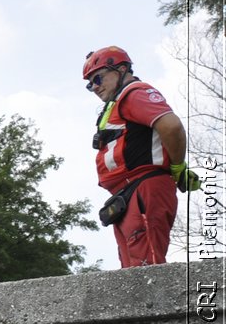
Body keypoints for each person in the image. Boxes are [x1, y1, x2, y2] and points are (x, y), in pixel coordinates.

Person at [83, 45, 196, 267]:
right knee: (132, 271)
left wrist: (177, 167)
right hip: (126, 195)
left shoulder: (135, 93)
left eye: (98, 79)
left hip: (145, 187)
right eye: (90, 84)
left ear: (122, 69)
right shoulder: (116, 103)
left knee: (148, 267)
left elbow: (171, 127)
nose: (94, 87)